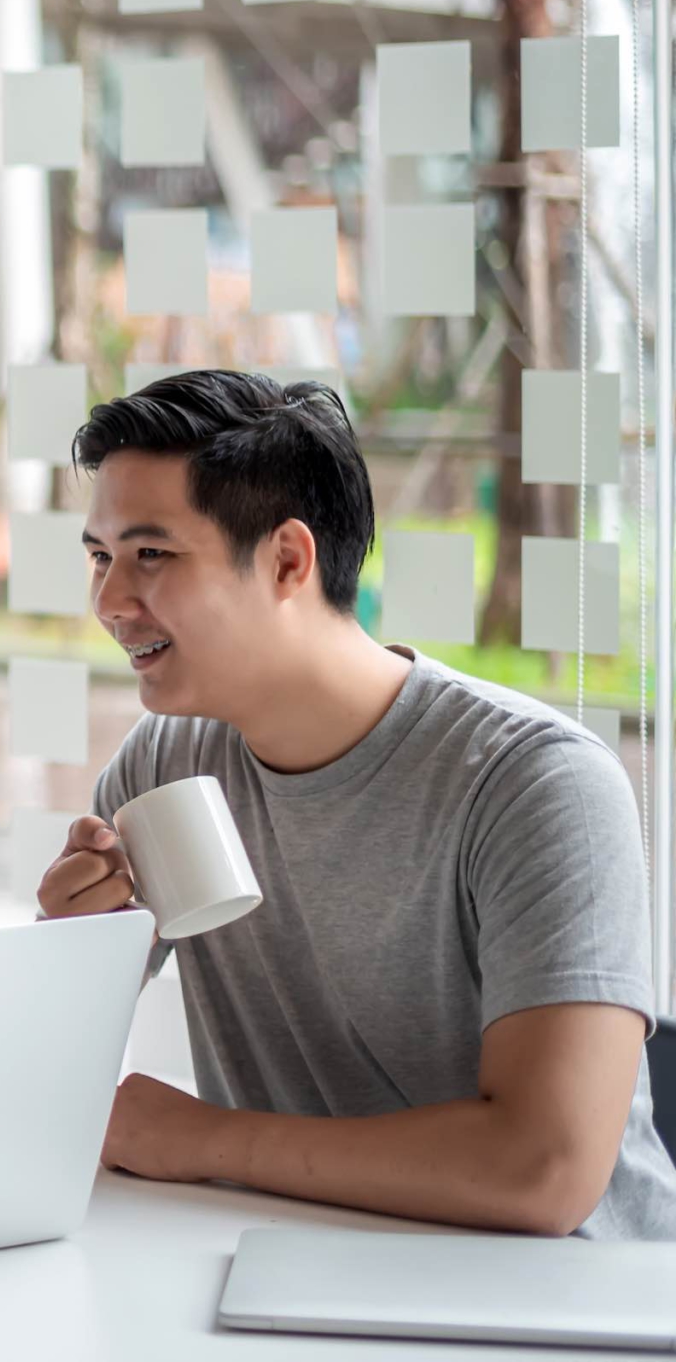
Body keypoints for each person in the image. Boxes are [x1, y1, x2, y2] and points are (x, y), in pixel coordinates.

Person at [39, 368, 676, 1238]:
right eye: (102, 557)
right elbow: (36, 1074)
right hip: (307, 1264)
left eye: (152, 554)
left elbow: (545, 1170)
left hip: (570, 1301)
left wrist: (206, 1139)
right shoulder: (163, 764)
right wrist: (70, 949)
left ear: (288, 560)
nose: (109, 601)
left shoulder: (535, 783)